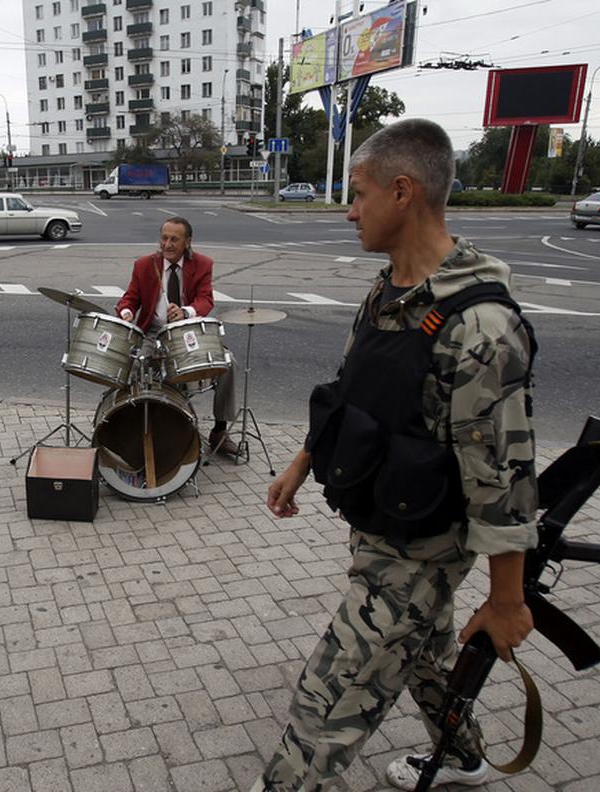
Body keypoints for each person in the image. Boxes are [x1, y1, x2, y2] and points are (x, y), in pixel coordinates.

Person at [252, 119, 538, 792]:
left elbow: (503, 480)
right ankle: (462, 754)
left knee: (322, 712)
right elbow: (353, 392)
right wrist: (301, 462)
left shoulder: (480, 327)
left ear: (402, 191)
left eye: (358, 193)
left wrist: (506, 601)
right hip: (382, 523)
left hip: (420, 550)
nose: (348, 209)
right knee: (427, 652)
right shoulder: (389, 292)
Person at [116, 216, 239, 457]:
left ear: (187, 242)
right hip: (153, 331)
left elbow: (206, 299)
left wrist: (186, 311)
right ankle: (132, 427)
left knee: (228, 363)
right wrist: (127, 311)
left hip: (188, 330)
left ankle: (220, 430)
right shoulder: (144, 265)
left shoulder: (202, 264)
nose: (167, 244)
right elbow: (129, 297)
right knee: (134, 364)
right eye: (164, 238)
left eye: (174, 239)